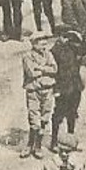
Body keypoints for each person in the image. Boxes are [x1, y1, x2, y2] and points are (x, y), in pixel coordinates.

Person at [20, 30, 58, 159]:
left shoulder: (48, 54)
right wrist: (45, 69)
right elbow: (32, 73)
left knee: (44, 118)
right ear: (34, 44)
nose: (44, 45)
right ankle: (30, 144)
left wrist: (40, 68)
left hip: (47, 89)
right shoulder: (27, 56)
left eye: (45, 43)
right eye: (42, 43)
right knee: (33, 118)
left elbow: (54, 69)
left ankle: (38, 145)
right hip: (33, 90)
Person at [51, 27, 86, 148]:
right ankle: (54, 141)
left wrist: (80, 38)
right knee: (58, 114)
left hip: (75, 86)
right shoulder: (55, 49)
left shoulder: (74, 47)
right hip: (63, 87)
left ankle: (70, 138)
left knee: (72, 113)